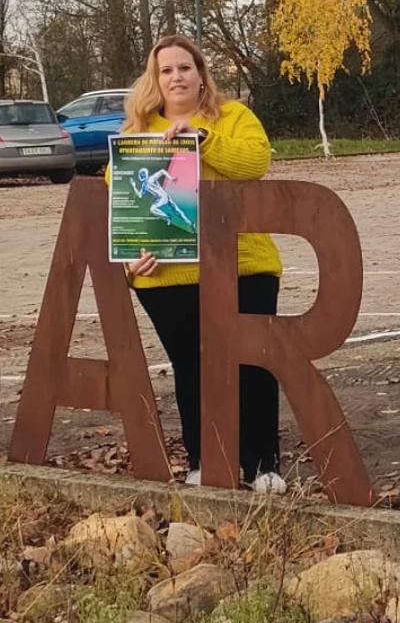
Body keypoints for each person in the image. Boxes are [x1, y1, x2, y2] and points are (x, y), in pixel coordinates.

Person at [110, 34, 287, 494]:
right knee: (192, 368)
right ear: (155, 79)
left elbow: (254, 164)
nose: (176, 77)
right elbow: (122, 207)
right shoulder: (135, 137)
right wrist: (132, 260)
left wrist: (200, 141)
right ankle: (204, 460)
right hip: (168, 273)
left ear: (201, 73)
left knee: (255, 364)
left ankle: (263, 463)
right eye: (166, 70)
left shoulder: (233, 118)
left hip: (244, 266)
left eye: (184, 67)